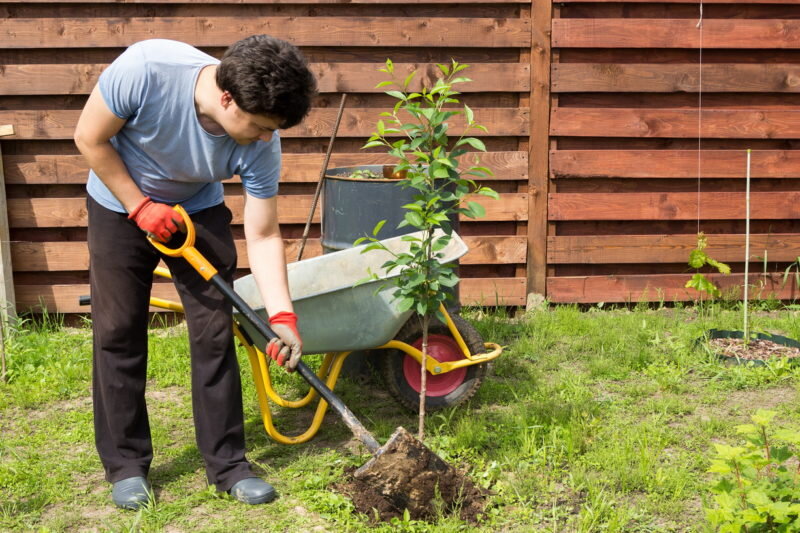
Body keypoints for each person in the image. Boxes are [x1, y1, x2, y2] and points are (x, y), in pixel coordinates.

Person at [73, 35, 317, 510]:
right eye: (261, 126)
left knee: (213, 333)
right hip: (119, 201)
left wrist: (283, 316)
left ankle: (228, 465)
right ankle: (125, 465)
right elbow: (89, 136)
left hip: (197, 209)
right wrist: (138, 205)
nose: (266, 137)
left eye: (273, 129)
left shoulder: (263, 142)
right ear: (227, 98)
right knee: (118, 329)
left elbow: (264, 234)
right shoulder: (147, 69)